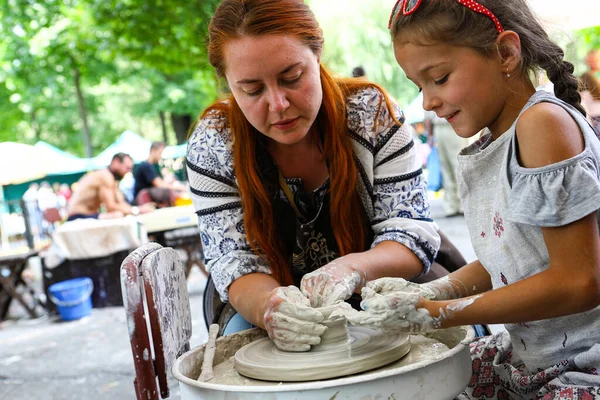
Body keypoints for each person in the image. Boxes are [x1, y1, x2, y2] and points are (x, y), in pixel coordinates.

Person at [341, 0, 600, 398]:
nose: (427, 101)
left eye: (439, 78)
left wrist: (436, 315)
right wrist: (429, 293)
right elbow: (516, 256)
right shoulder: (497, 137)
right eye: (419, 86)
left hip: (587, 364)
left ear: (505, 53)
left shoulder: (542, 124)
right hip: (540, 358)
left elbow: (581, 280)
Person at [187, 0, 447, 350]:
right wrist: (270, 307)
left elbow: (409, 229)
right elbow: (232, 260)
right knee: (240, 358)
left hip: (382, 282)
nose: (278, 104)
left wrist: (352, 269)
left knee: (449, 341)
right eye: (252, 90)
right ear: (229, 85)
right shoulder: (213, 143)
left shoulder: (371, 115)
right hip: (260, 293)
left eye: (292, 77)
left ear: (318, 56)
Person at [67, 153, 154, 221]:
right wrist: (138, 210)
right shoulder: (105, 177)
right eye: (127, 168)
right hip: (77, 216)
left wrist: (137, 209)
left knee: (121, 215)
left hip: (87, 215)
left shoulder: (112, 179)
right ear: (116, 162)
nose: (128, 172)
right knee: (117, 215)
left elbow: (120, 203)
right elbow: (111, 207)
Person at [424, 110, 469, 217]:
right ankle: (453, 205)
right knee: (448, 166)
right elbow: (427, 116)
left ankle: (459, 205)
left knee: (457, 164)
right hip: (442, 126)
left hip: (451, 126)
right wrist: (430, 134)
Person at [133, 141, 182, 208]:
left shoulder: (153, 166)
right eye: (160, 153)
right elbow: (159, 184)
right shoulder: (145, 166)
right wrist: (180, 188)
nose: (161, 156)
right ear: (153, 150)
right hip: (143, 203)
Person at [580, 50, 600, 136]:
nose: (593, 63)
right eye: (590, 61)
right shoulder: (586, 77)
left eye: (595, 60)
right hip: (595, 117)